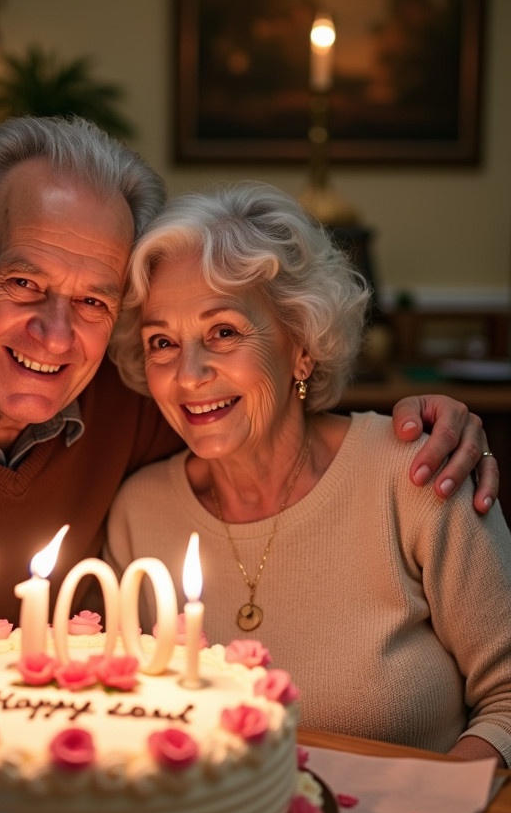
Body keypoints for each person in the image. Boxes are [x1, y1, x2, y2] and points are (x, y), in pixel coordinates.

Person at [0, 118, 498, 694]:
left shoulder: (138, 400)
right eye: (25, 283)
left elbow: (262, 413)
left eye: (94, 300)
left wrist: (433, 422)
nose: (57, 334)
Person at [105, 182, 511, 766]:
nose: (189, 374)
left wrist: (437, 808)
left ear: (300, 344)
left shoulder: (416, 473)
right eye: (162, 342)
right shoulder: (137, 516)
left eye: (223, 332)